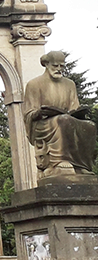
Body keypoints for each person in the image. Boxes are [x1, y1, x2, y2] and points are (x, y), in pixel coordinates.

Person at [22, 51, 95, 179]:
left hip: (66, 120)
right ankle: (60, 161)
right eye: (55, 66)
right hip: (43, 124)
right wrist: (40, 112)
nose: (59, 69)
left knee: (89, 126)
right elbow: (29, 113)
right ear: (46, 64)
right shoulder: (34, 84)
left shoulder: (69, 84)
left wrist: (78, 112)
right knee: (64, 120)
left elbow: (74, 107)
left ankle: (82, 166)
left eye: (62, 66)